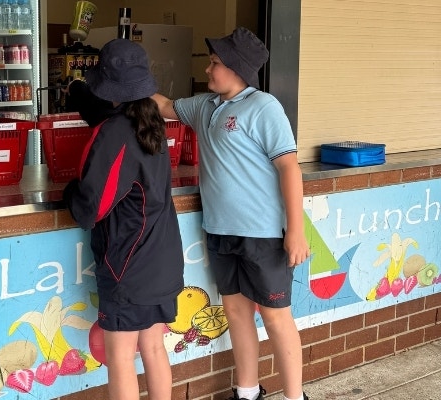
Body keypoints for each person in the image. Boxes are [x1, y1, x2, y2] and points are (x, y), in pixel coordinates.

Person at [151, 27, 310, 400]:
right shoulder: (204, 106)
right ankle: (247, 391)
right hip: (220, 231)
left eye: (215, 64)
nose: (208, 70)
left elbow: (289, 167)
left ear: (237, 69)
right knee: (237, 314)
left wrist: (296, 231)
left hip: (263, 235)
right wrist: (132, 82)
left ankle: (295, 396)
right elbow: (163, 107)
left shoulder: (264, 107)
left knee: (275, 316)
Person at [63, 38, 184, 400]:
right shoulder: (153, 122)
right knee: (154, 350)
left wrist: (69, 191)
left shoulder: (114, 132)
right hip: (161, 258)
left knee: (120, 359)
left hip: (128, 267)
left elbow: (90, 208)